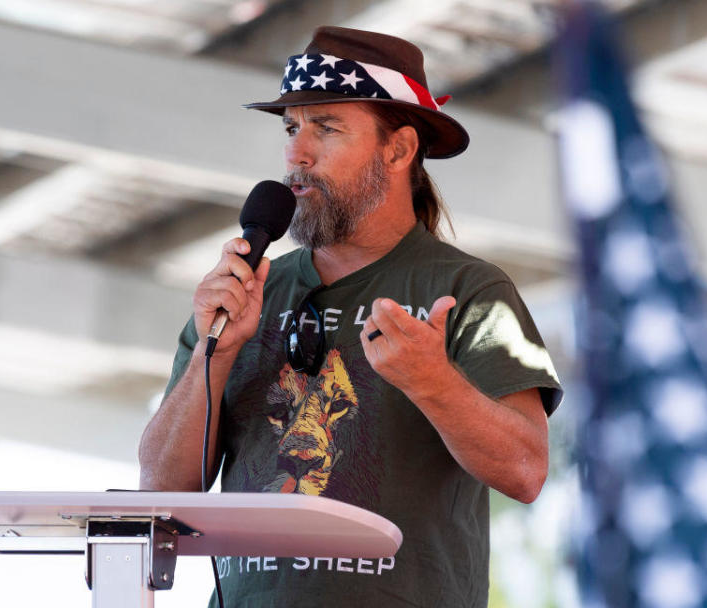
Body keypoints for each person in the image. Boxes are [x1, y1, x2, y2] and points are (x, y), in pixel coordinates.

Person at [139, 25, 563, 608]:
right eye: (291, 127)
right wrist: (218, 354)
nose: (296, 152)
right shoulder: (241, 294)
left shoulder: (468, 289)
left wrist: (431, 380)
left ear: (399, 149)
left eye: (326, 127)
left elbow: (525, 470)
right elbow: (161, 492)